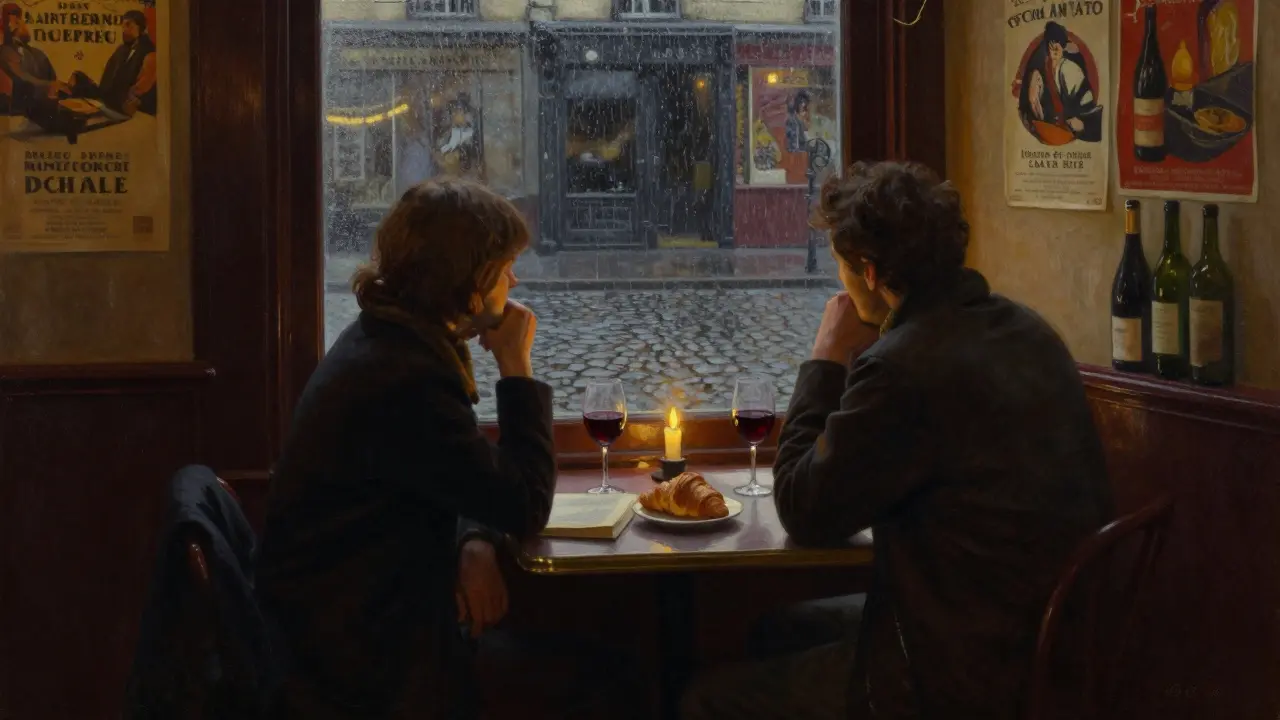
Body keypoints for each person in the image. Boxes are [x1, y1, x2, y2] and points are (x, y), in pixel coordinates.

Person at [681, 161, 1114, 720]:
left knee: (705, 701)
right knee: (775, 627)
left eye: (840, 267)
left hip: (957, 673)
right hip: (1045, 638)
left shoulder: (902, 367)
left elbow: (803, 508)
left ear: (867, 271)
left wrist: (825, 358)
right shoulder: (1029, 330)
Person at [257, 178, 630, 719]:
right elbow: (524, 503)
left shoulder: (383, 340)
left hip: (338, 627)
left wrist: (472, 539)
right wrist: (516, 367)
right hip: (363, 664)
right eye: (503, 268)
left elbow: (453, 472)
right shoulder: (406, 379)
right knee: (613, 682)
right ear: (470, 283)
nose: (514, 279)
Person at [1020, 21, 1103, 143]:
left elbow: (1087, 105)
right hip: (1056, 127)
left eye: (1058, 44)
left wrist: (1081, 122)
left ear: (1063, 46)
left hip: (1082, 120)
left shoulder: (1069, 69)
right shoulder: (1044, 68)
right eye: (1051, 44)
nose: (1054, 48)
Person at [69, 10, 157, 116]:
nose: (124, 30)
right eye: (123, 26)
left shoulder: (149, 53)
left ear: (141, 28)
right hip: (110, 103)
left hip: (127, 109)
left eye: (129, 25)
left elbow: (139, 90)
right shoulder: (121, 50)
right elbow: (106, 85)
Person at [0, 4, 60, 116]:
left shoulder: (38, 54)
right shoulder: (5, 52)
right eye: (16, 21)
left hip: (46, 112)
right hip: (22, 116)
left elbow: (53, 78)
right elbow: (23, 77)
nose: (22, 24)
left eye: (20, 19)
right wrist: (50, 86)